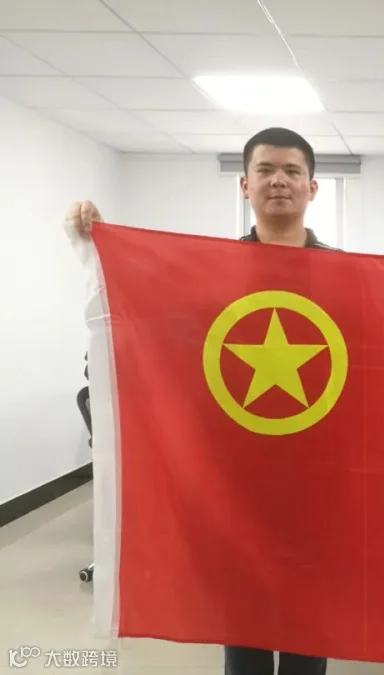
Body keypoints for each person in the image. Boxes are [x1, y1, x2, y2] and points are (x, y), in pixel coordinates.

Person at [64, 127, 331, 675]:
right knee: (240, 613)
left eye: (292, 171)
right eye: (265, 170)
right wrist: (97, 246)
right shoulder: (210, 272)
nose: (279, 181)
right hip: (235, 477)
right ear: (244, 185)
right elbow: (156, 335)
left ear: (312, 187)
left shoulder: (344, 275)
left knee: (310, 614)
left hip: (319, 475)